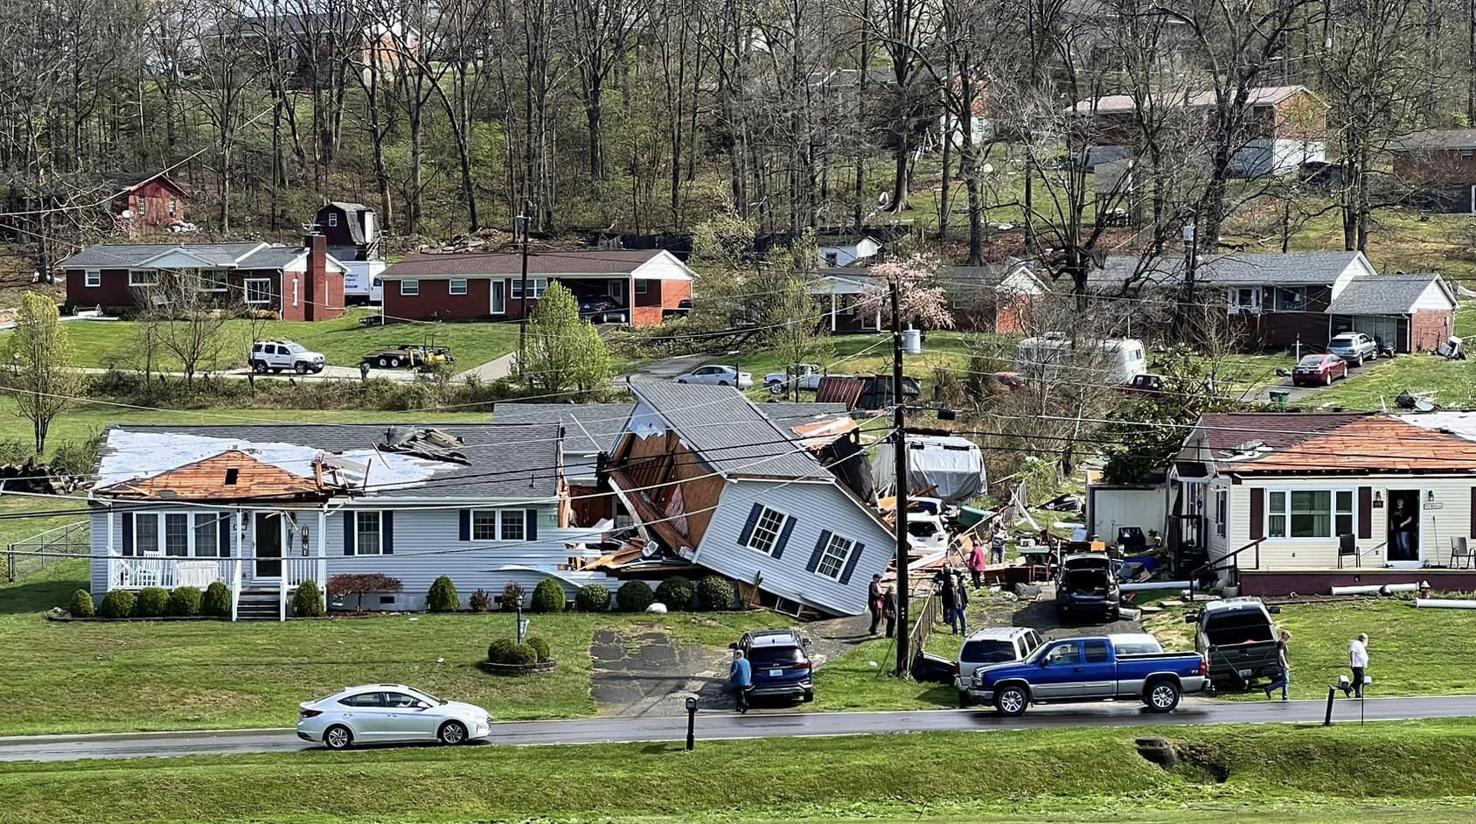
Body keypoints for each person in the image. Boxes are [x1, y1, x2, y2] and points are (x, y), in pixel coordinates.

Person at [1262, 629, 1292, 701]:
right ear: (1284, 635)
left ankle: (1285, 696)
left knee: (1284, 679)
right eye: (1287, 636)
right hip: (1282, 664)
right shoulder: (1281, 643)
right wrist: (1285, 664)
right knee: (1285, 681)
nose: (1288, 637)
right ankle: (1269, 688)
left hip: (1281, 663)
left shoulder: (1280, 642)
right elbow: (1281, 654)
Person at [1346, 633, 1370, 698]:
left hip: (1360, 665)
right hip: (1357, 665)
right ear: (1363, 639)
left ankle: (1358, 694)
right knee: (1360, 679)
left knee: (1357, 679)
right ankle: (1349, 689)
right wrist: (1352, 663)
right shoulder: (1356, 643)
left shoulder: (1360, 645)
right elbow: (1352, 652)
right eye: (1366, 639)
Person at [730, 649, 753, 713]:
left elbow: (733, 672)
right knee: (743, 694)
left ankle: (744, 705)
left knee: (739, 695)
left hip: (738, 681)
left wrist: (730, 677)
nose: (735, 655)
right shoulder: (747, 662)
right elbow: (750, 671)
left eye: (737, 654)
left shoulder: (736, 662)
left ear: (740, 654)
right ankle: (738, 707)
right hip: (746, 681)